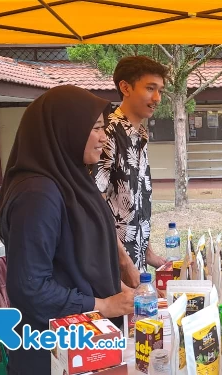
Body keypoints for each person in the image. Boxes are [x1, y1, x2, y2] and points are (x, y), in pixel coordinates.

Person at [0, 85, 134, 374]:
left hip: (86, 344)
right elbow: (31, 289)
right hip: (53, 354)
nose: (103, 137)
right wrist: (103, 305)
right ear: (64, 131)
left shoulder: (70, 181)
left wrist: (118, 287)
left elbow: (77, 257)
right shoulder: (38, 195)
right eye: (95, 128)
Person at [93, 56, 169, 288]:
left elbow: (132, 203)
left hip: (134, 261)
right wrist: (125, 263)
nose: (157, 98)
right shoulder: (108, 134)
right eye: (150, 88)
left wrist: (147, 252)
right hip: (112, 266)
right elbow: (95, 205)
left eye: (160, 90)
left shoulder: (139, 135)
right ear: (125, 87)